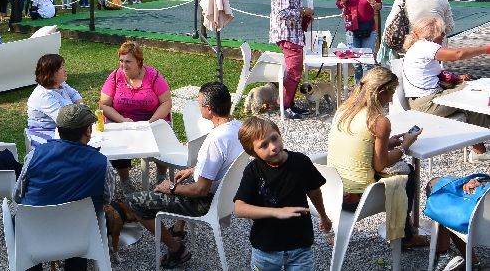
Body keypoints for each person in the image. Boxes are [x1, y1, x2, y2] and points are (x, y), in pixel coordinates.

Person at [127, 82, 244, 268]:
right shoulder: (240, 128)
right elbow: (222, 165)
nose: (199, 108)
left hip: (207, 203)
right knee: (186, 176)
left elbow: (200, 190)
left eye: (199, 105)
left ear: (209, 109)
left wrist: (171, 188)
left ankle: (176, 249)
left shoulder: (215, 140)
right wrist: (193, 170)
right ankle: (179, 228)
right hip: (230, 197)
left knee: (135, 201)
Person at [327, 67, 428, 249]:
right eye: (391, 94)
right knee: (407, 172)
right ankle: (404, 236)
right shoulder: (378, 120)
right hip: (357, 198)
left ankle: (404, 233)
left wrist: (387, 143)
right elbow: (380, 165)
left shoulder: (344, 109)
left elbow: (361, 144)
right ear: (381, 92)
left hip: (331, 191)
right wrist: (405, 146)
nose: (391, 99)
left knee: (399, 168)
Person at [14, 104, 116, 271]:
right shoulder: (102, 164)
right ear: (88, 131)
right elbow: (107, 199)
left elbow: (18, 196)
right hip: (79, 237)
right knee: (86, 222)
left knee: (19, 224)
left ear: (59, 130)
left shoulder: (34, 155)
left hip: (35, 234)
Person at [236, 116, 331, 270]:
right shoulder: (253, 171)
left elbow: (314, 192)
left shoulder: (301, 162)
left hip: (300, 246)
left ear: (279, 134)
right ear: (253, 152)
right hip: (265, 249)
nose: (273, 147)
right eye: (263, 145)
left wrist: (323, 215)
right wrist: (276, 212)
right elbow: (239, 208)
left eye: (274, 138)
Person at [402, 16, 490, 162]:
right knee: (472, 94)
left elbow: (435, 73)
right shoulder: (426, 46)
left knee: (469, 94)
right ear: (433, 34)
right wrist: (485, 49)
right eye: (442, 32)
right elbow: (458, 55)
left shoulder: (417, 46)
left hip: (421, 100)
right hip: (427, 103)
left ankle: (479, 148)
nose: (444, 36)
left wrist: (457, 78)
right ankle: (479, 148)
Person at [98, 41, 172, 189]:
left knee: (162, 133)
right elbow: (103, 104)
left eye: (128, 61)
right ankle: (125, 181)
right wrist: (123, 120)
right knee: (116, 140)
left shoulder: (154, 76)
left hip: (152, 119)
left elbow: (166, 103)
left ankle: (161, 176)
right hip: (123, 120)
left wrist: (150, 122)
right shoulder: (115, 77)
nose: (123, 65)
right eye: (121, 61)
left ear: (139, 61)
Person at [269, 0, 317, 120]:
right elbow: (283, 13)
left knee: (295, 72)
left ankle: (289, 103)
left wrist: (304, 15)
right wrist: (303, 12)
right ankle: (283, 105)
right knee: (293, 73)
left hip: (293, 34)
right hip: (287, 34)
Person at [336, 0, 382, 83]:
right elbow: (339, 4)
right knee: (356, 63)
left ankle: (367, 92)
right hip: (352, 29)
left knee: (367, 63)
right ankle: (358, 91)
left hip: (369, 28)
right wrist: (342, 1)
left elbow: (379, 6)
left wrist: (373, 3)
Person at [27, 54, 83, 138]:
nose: (65, 70)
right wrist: (83, 116)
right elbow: (63, 120)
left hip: (65, 127)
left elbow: (75, 95)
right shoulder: (44, 96)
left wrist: (82, 110)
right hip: (46, 134)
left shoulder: (60, 84)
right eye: (61, 68)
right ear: (51, 74)